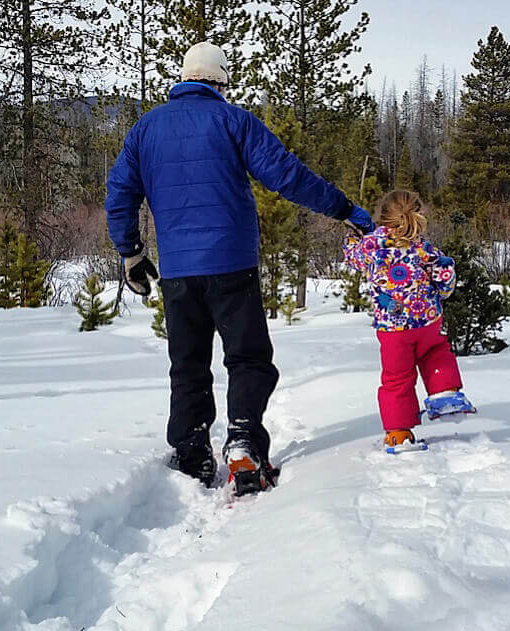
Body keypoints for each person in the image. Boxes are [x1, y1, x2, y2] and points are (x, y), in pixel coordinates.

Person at [105, 42, 374, 493]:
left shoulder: (144, 129)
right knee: (248, 358)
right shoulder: (233, 120)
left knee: (187, 363)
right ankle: (244, 440)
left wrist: (131, 252)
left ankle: (192, 454)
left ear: (186, 77)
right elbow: (286, 175)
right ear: (221, 81)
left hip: (177, 272)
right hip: (232, 264)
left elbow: (119, 195)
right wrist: (344, 209)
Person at [342, 190, 475, 453]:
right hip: (427, 320)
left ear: (382, 218)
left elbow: (352, 258)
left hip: (393, 329)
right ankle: (444, 392)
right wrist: (443, 290)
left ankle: (399, 432)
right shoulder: (423, 246)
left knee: (396, 378)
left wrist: (351, 237)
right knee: (436, 353)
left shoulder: (372, 246)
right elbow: (445, 272)